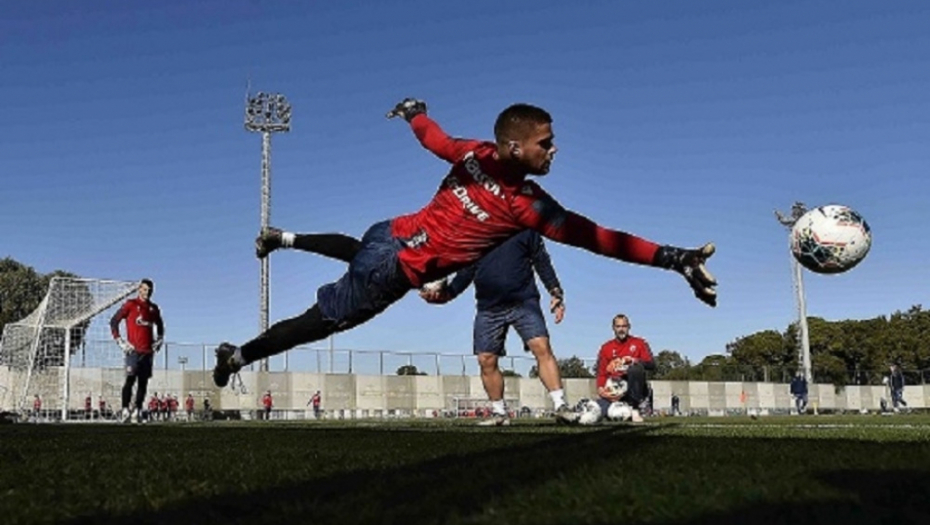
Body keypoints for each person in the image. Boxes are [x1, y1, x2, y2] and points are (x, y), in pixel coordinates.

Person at [213, 98, 717, 391]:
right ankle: (239, 356)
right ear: (516, 147)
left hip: (385, 233)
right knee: (316, 324)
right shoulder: (527, 204)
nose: (554, 148)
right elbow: (599, 239)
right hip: (395, 273)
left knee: (358, 255)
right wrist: (671, 258)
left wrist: (415, 112)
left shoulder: (474, 152)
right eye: (546, 142)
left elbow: (434, 139)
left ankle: (285, 240)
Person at [420, 230, 571, 426]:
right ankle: (499, 413)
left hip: (524, 303)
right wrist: (444, 296)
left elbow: (541, 261)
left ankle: (561, 406)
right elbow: (464, 275)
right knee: (486, 360)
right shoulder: (476, 236)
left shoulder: (525, 231)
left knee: (541, 347)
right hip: (489, 309)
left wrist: (555, 291)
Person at [110, 279, 164, 424]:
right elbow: (114, 321)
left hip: (148, 351)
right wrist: (120, 340)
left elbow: (160, 325)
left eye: (150, 290)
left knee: (143, 382)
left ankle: (138, 411)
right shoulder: (131, 304)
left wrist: (159, 339)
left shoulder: (153, 308)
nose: (147, 292)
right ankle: (125, 410)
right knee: (130, 379)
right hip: (133, 351)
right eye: (145, 289)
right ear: (139, 289)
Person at [595, 314, 655, 423]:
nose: (621, 329)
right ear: (613, 328)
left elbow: (651, 364)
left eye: (624, 326)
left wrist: (633, 360)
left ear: (629, 327)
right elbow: (601, 372)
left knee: (635, 368)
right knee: (597, 412)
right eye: (618, 326)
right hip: (614, 389)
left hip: (633, 387)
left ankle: (635, 408)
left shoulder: (639, 343)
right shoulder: (606, 348)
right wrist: (601, 389)